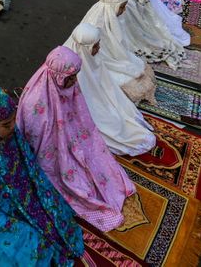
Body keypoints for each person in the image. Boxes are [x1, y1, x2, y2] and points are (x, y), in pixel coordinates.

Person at [0, 87, 84, 266]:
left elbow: (26, 163)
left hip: (18, 189)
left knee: (56, 215)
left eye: (12, 121)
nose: (12, 128)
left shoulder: (4, 129)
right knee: (31, 244)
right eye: (6, 125)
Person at [16, 46, 137, 232]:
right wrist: (65, 151)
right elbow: (39, 146)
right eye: (70, 77)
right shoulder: (35, 103)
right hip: (52, 155)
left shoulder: (66, 84)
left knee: (98, 161)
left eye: (75, 76)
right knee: (73, 179)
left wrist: (74, 143)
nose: (74, 81)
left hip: (73, 139)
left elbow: (80, 118)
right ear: (57, 75)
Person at [65, 23, 157, 156]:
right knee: (111, 124)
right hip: (90, 105)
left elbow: (105, 84)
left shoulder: (91, 57)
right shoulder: (74, 69)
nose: (99, 48)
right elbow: (86, 97)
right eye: (95, 46)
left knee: (121, 114)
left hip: (102, 99)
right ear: (86, 48)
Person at [78, 0, 157, 104]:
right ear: (113, 6)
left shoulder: (109, 16)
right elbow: (99, 53)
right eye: (122, 7)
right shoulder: (97, 23)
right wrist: (120, 61)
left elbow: (116, 42)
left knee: (137, 66)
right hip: (103, 60)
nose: (124, 10)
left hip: (113, 56)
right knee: (132, 79)